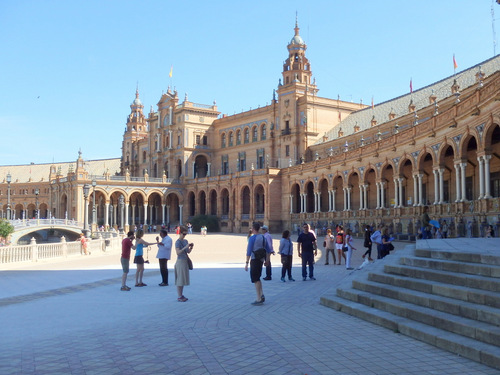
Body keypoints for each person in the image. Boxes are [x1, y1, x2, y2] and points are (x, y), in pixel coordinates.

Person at [245, 222, 271, 305]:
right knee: (258, 277)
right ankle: (261, 294)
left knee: (255, 279)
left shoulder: (252, 238)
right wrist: (267, 260)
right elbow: (268, 250)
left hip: (254, 259)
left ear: (253, 229)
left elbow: (248, 251)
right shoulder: (263, 238)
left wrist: (246, 262)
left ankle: (258, 298)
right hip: (261, 259)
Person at [175, 226, 194, 302]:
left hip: (185, 260)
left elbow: (188, 252)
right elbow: (178, 252)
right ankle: (179, 296)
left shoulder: (185, 241)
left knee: (183, 279)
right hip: (180, 261)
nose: (185, 235)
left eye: (186, 234)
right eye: (183, 234)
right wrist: (184, 247)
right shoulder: (178, 242)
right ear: (180, 233)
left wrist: (191, 247)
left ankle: (181, 295)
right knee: (180, 279)